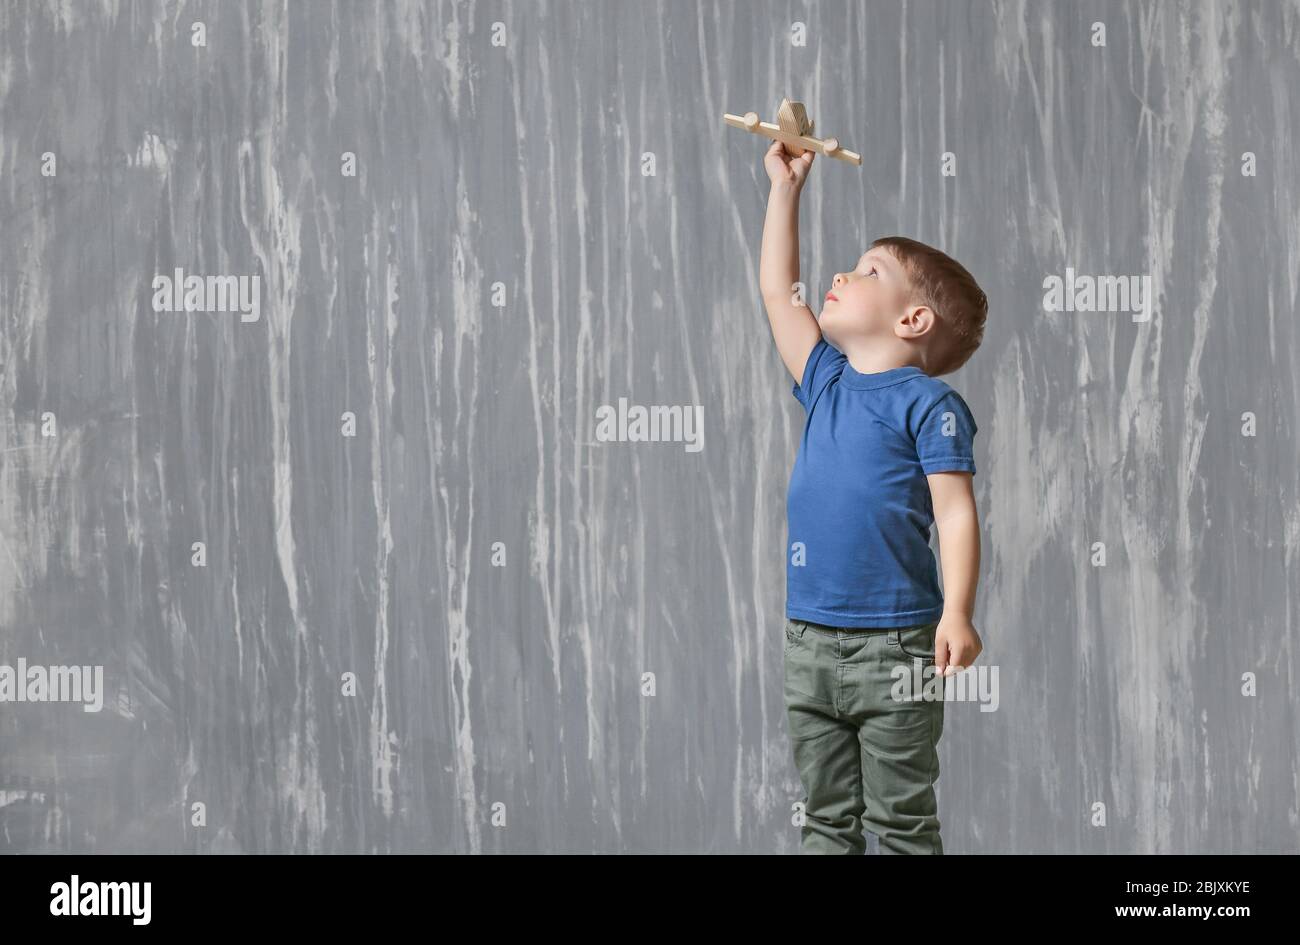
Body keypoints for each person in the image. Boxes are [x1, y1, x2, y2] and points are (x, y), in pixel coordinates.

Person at [759, 138, 988, 854]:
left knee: (902, 823)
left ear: (912, 320)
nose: (841, 274)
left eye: (868, 271)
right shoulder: (825, 380)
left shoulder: (929, 404)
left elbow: (955, 513)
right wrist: (786, 188)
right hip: (809, 640)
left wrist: (957, 611)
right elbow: (777, 290)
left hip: (899, 649)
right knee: (825, 821)